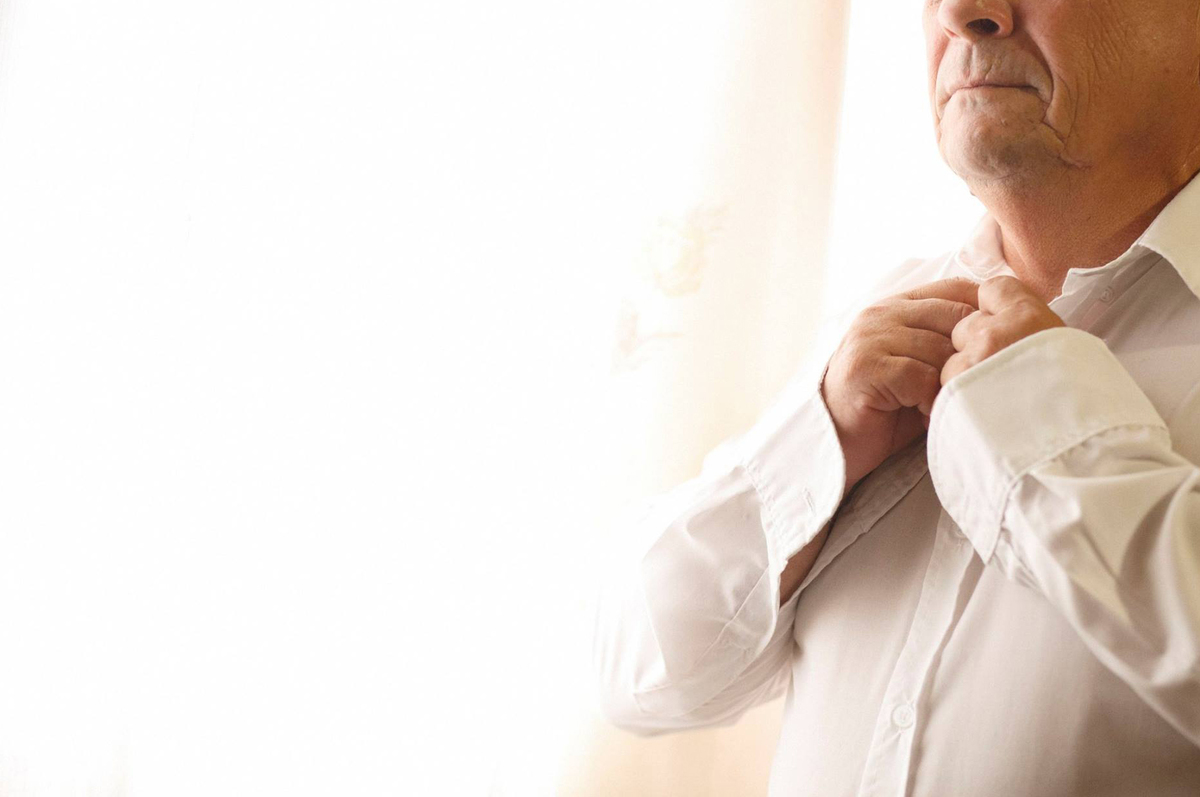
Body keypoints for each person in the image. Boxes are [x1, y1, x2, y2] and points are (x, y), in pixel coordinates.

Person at [592, 0, 1200, 794]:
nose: (962, 12)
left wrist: (1047, 433)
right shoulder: (874, 336)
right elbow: (638, 672)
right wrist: (817, 445)